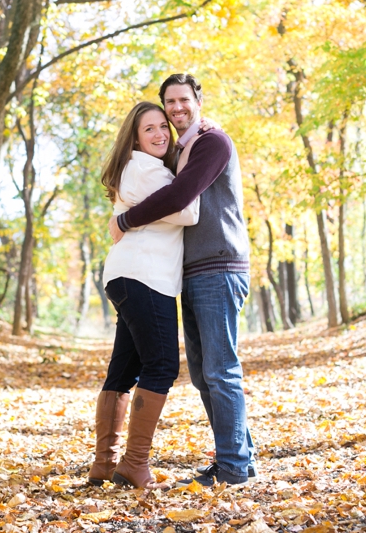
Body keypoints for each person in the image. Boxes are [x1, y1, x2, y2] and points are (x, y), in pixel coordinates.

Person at [109, 73, 255, 487]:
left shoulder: (212, 142)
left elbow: (177, 198)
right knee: (206, 372)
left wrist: (125, 219)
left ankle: (232, 466)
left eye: (183, 100)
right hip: (190, 272)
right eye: (169, 102)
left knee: (220, 369)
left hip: (219, 266)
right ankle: (239, 458)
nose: (176, 108)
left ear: (197, 100)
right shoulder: (179, 150)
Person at [89, 101, 200, 489]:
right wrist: (188, 162)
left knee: (123, 369)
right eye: (148, 129)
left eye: (162, 127)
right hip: (144, 276)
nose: (159, 134)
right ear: (134, 139)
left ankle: (104, 464)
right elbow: (187, 211)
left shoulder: (143, 168)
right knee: (163, 365)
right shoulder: (145, 167)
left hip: (127, 275)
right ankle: (135, 463)